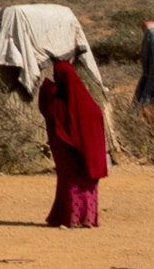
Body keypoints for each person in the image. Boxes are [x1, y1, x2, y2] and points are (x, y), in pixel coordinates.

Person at [38, 55, 111, 229]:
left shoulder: (56, 99)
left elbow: (46, 109)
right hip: (87, 154)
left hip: (67, 151)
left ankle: (71, 217)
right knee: (84, 182)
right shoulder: (86, 102)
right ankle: (88, 217)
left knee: (69, 180)